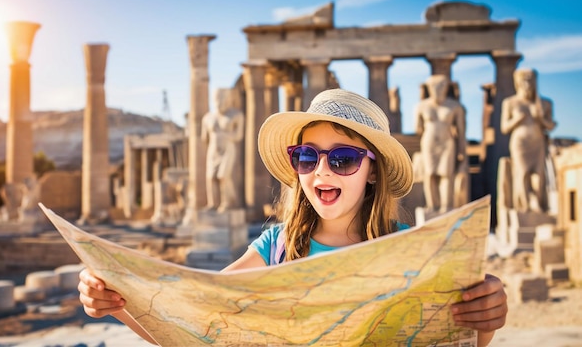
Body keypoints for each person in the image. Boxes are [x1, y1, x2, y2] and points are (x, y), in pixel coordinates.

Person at [78, 89, 507, 346]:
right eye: (306, 156)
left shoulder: (414, 250)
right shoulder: (274, 247)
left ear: (373, 170)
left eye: (341, 158)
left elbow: (451, 338)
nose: (320, 170)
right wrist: (115, 302)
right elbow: (193, 328)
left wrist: (483, 319)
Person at [501, 68, 555, 213]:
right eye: (524, 81)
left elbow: (551, 125)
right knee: (523, 173)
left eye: (531, 81)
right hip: (520, 143)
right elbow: (504, 127)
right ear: (517, 83)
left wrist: (540, 118)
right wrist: (517, 120)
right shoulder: (511, 103)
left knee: (539, 174)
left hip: (538, 142)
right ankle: (524, 205)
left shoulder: (544, 103)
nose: (528, 85)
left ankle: (537, 203)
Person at [414, 74, 466, 213]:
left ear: (446, 88)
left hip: (447, 143)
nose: (438, 89)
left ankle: (445, 206)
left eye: (441, 86)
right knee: (429, 174)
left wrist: (462, 150)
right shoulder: (421, 106)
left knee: (446, 174)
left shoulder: (455, 106)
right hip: (429, 142)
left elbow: (461, 131)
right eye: (434, 86)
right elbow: (418, 128)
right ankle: (432, 205)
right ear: (429, 88)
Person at [201, 88, 244, 212]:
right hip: (213, 149)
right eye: (218, 98)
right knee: (211, 177)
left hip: (228, 148)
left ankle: (228, 202)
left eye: (223, 98)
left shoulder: (236, 115)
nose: (221, 101)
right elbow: (205, 138)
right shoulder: (207, 117)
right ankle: (213, 203)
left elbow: (238, 135)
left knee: (223, 176)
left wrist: (224, 136)